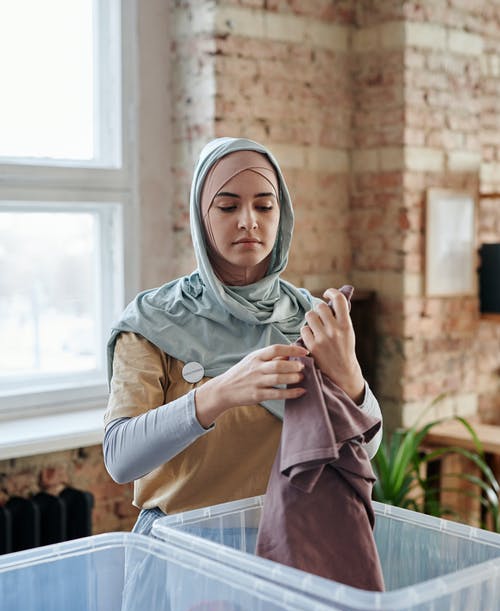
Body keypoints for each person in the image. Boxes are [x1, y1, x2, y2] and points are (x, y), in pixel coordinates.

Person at [103, 137, 382, 536]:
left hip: (288, 548)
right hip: (182, 550)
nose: (249, 220)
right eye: (228, 206)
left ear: (281, 215)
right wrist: (222, 390)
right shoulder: (153, 320)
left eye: (265, 206)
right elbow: (120, 459)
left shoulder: (311, 318)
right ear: (202, 217)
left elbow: (366, 450)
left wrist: (350, 376)